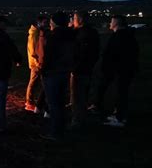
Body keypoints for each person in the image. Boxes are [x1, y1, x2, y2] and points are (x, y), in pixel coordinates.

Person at [95, 15, 139, 127]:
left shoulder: (120, 37)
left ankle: (120, 118)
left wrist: (107, 67)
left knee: (121, 93)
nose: (109, 23)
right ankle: (119, 114)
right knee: (121, 93)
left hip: (121, 70)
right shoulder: (127, 35)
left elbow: (113, 54)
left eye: (111, 21)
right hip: (124, 69)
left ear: (116, 23)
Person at [40, 12, 75, 140]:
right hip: (65, 72)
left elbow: (48, 57)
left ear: (54, 22)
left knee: (53, 104)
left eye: (51, 21)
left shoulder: (53, 37)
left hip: (52, 73)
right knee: (61, 102)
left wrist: (43, 71)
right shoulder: (72, 35)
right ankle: (62, 128)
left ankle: (55, 133)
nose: (49, 23)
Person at [70, 11, 100, 128]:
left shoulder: (81, 34)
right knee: (83, 94)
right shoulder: (93, 32)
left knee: (77, 96)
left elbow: (79, 53)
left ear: (79, 20)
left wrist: (74, 67)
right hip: (88, 68)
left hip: (79, 69)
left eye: (74, 18)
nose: (73, 21)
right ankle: (82, 116)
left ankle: (77, 121)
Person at [25, 15, 49, 112]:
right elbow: (32, 51)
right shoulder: (34, 35)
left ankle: (31, 102)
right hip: (36, 64)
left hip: (37, 62)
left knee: (35, 82)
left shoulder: (37, 33)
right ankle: (29, 103)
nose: (46, 24)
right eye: (44, 22)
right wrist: (37, 63)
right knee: (33, 83)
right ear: (38, 23)